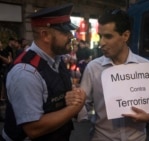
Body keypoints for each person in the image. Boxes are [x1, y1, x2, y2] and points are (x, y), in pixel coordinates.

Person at [1, 3, 86, 141]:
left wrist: (70, 97)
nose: (71, 36)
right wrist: (75, 107)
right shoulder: (26, 73)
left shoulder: (57, 60)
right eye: (65, 32)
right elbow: (34, 128)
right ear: (45, 35)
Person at [77, 9, 149, 141]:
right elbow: (82, 105)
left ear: (125, 36)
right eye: (100, 36)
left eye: (108, 36)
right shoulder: (93, 68)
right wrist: (75, 105)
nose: (101, 43)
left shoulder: (145, 66)